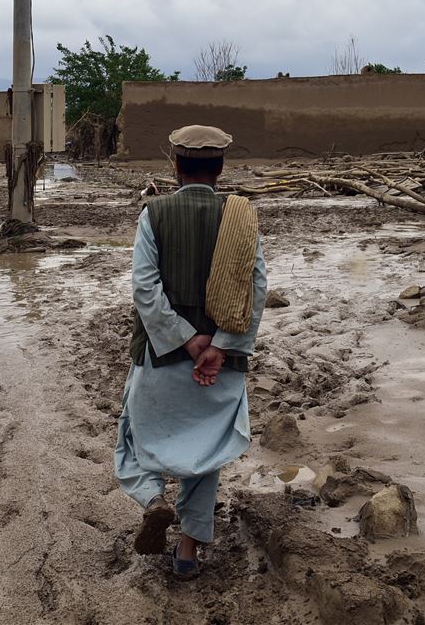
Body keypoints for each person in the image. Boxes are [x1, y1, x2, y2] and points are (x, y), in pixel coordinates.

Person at [114, 125, 267, 579]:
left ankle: (153, 499)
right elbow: (256, 289)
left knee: (132, 437)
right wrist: (219, 346)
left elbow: (145, 287)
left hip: (161, 356)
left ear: (176, 166)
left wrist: (184, 338)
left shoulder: (154, 213)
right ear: (220, 168)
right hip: (221, 366)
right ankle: (186, 552)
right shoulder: (242, 216)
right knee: (206, 454)